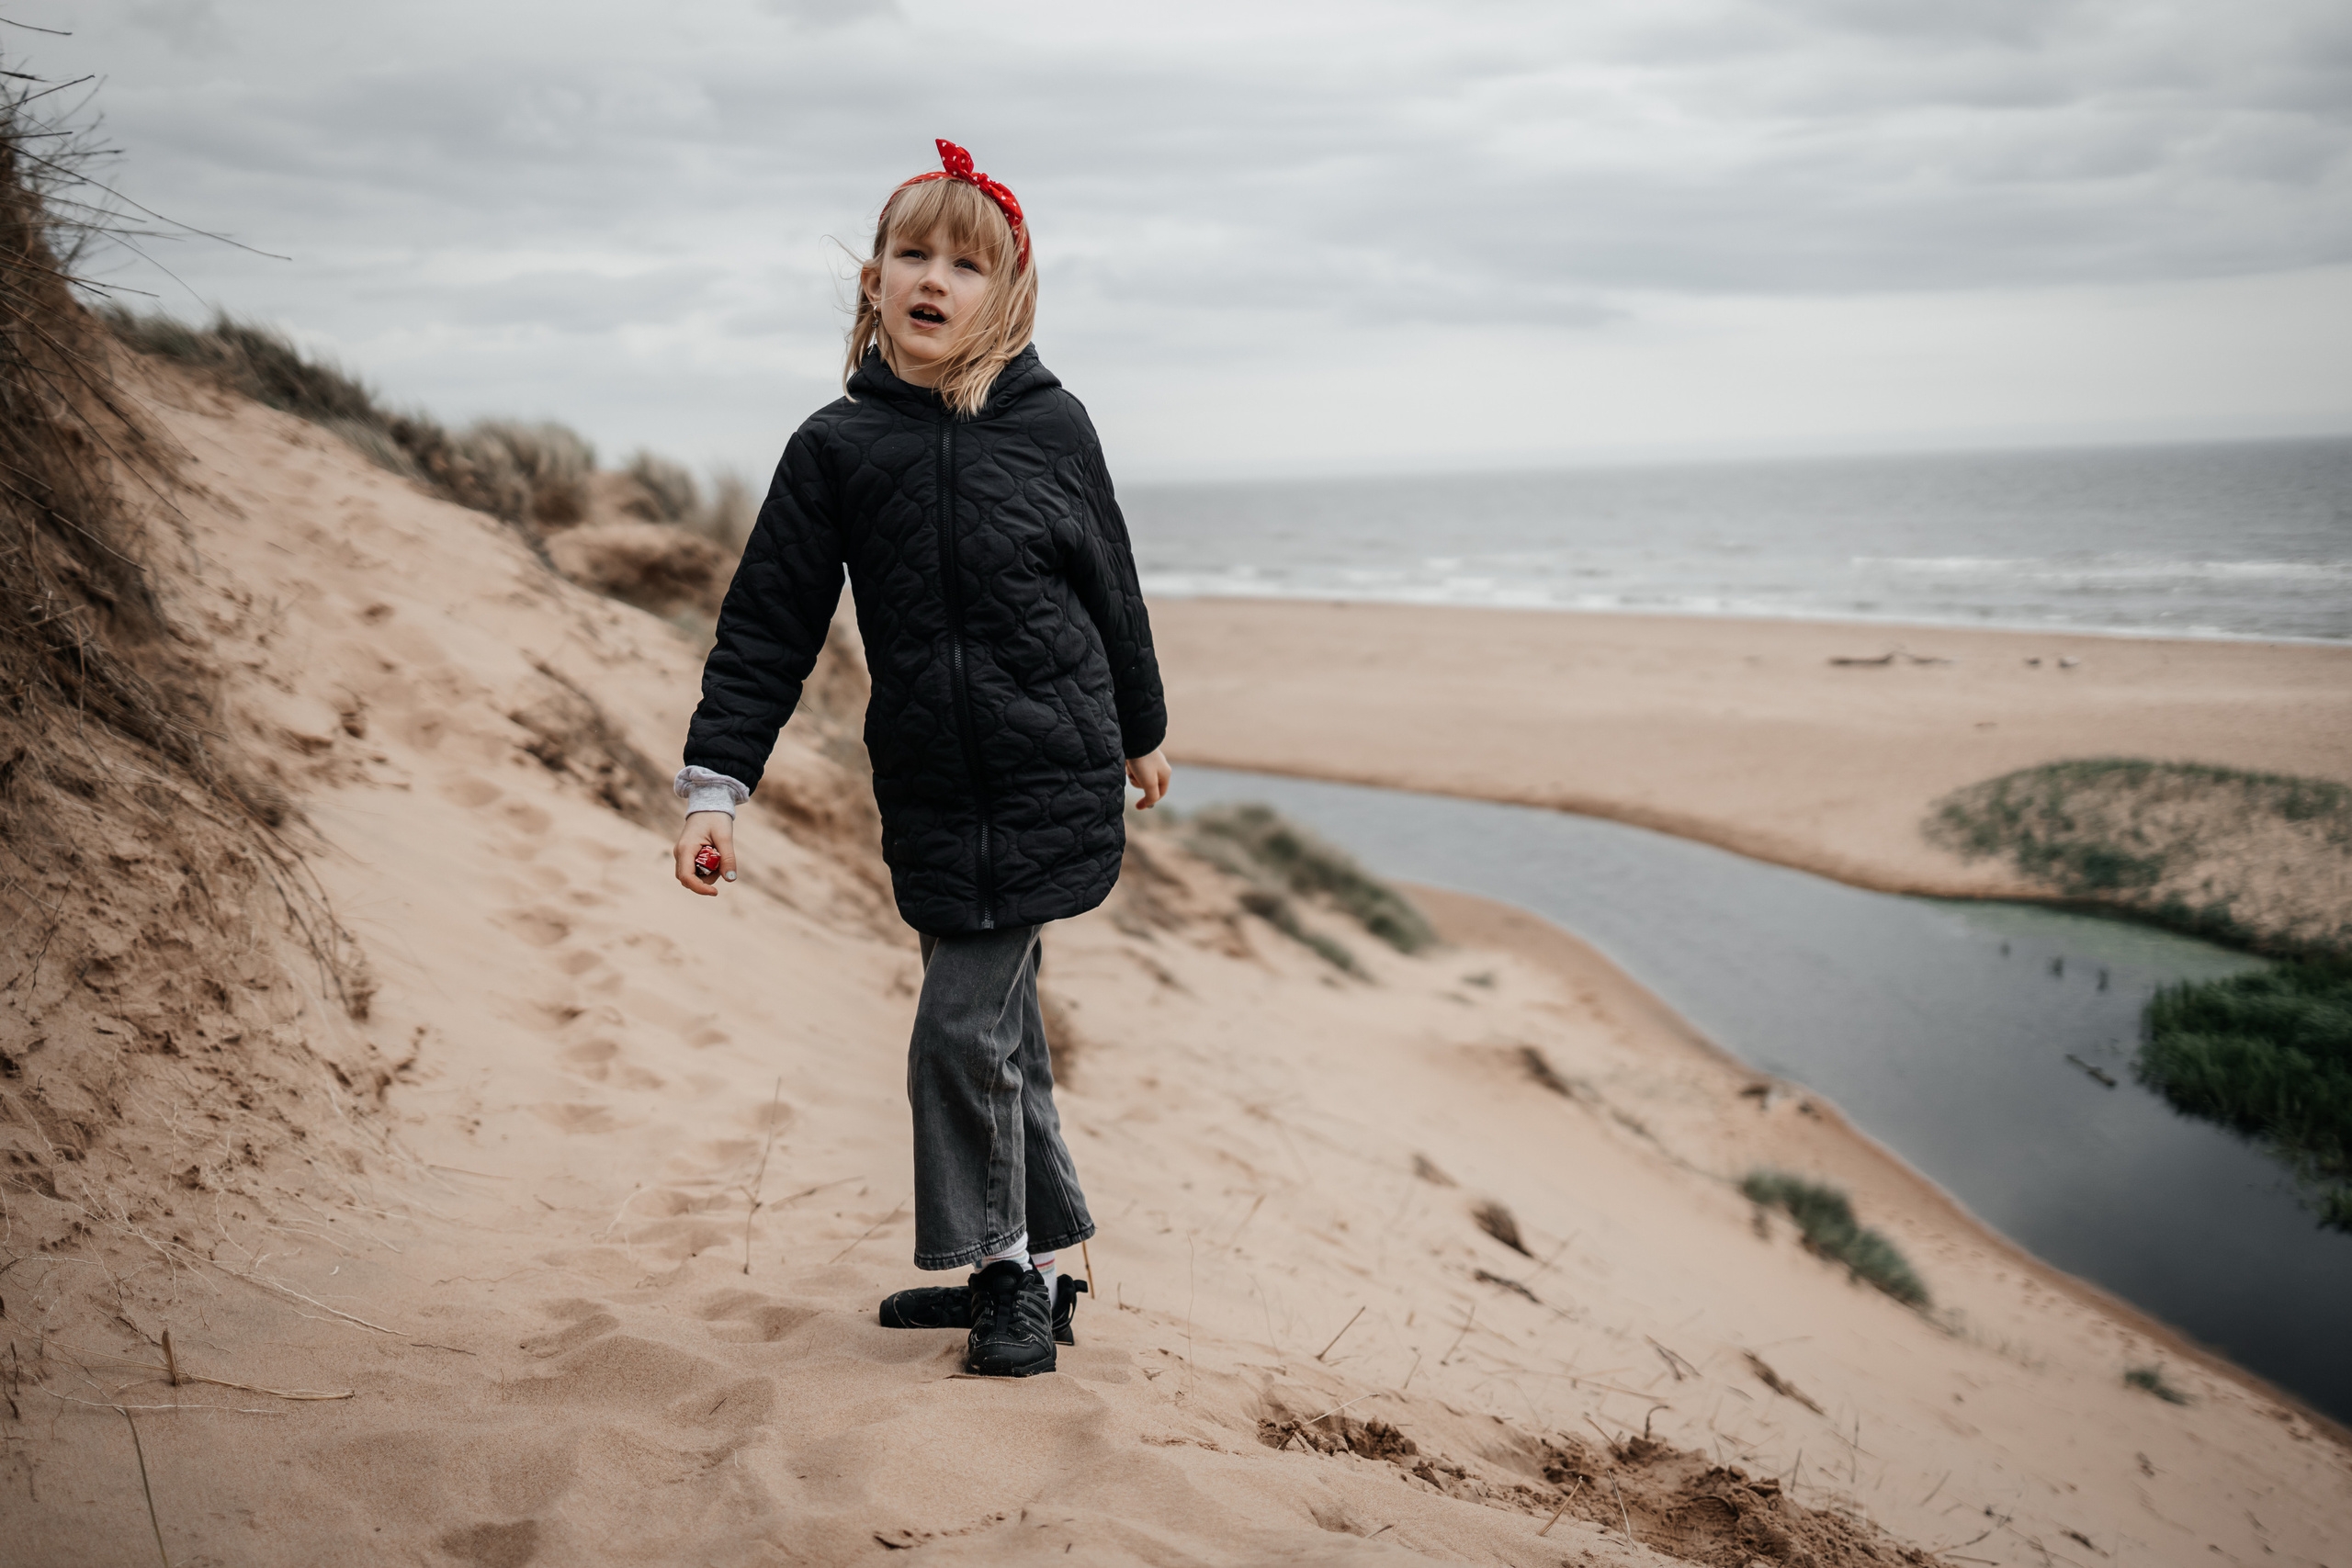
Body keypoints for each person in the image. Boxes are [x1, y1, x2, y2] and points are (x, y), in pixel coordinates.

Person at [671, 140, 1170, 1379]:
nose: (933, 277)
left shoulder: (1055, 427)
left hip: (1053, 771)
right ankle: (1045, 1268)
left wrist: (1145, 729)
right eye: (911, 254)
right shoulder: (837, 448)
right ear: (873, 281)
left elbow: (1115, 588)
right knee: (1000, 1035)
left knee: (958, 1031)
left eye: (965, 261)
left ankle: (1000, 1269)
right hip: (936, 790)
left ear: (1011, 294)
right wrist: (714, 787)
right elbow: (768, 623)